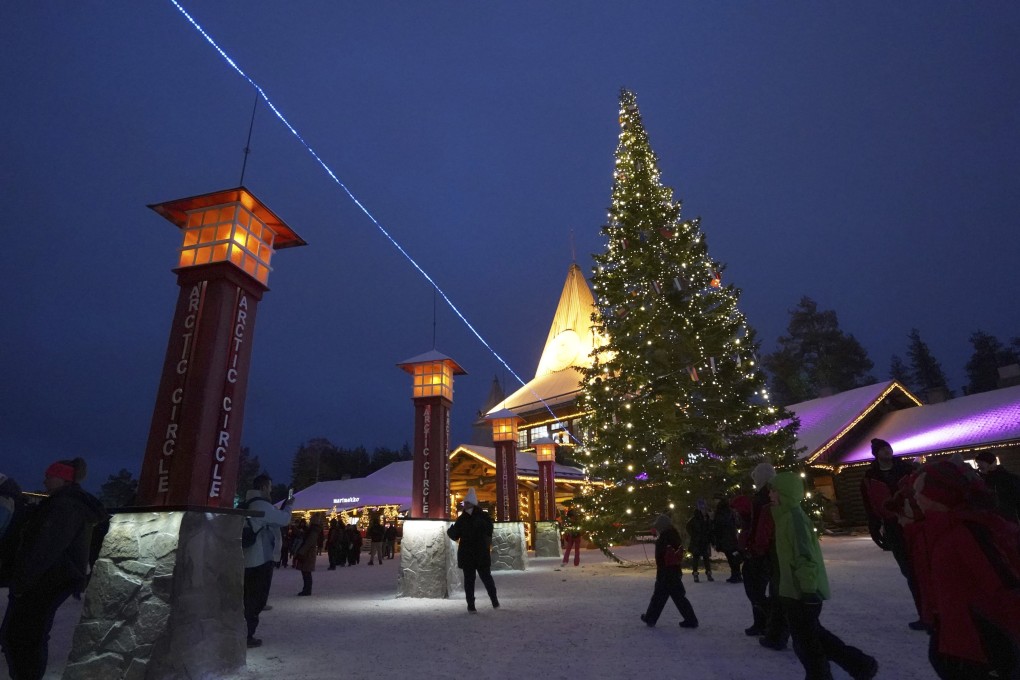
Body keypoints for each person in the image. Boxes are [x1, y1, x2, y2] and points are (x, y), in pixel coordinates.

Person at [910, 458, 1020, 679]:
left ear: (938, 493)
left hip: (981, 642)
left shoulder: (967, 531)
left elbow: (1005, 588)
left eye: (919, 490)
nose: (915, 497)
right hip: (957, 634)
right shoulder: (939, 530)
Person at [1, 459, 107, 680]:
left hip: (46, 580)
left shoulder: (65, 506)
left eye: (49, 475)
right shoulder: (62, 503)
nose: (44, 479)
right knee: (23, 636)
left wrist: (23, 581)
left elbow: (46, 548)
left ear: (63, 478)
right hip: (49, 579)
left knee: (24, 637)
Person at [771, 471, 878, 680]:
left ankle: (823, 675)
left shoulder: (794, 519)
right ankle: (860, 664)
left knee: (807, 645)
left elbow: (804, 556)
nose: (770, 495)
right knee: (815, 636)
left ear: (785, 493)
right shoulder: (784, 517)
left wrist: (808, 590)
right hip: (794, 590)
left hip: (802, 592)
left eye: (774, 491)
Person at [860, 438, 923, 629]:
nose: (888, 452)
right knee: (908, 571)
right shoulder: (870, 477)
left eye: (889, 448)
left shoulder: (907, 470)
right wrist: (874, 527)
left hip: (914, 524)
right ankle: (924, 613)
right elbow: (869, 504)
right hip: (892, 526)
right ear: (876, 454)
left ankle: (934, 612)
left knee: (922, 568)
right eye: (883, 450)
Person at [241, 473, 293, 648]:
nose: (271, 491)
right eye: (270, 487)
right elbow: (284, 520)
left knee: (246, 596)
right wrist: (289, 507)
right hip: (260, 558)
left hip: (246, 558)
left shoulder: (246, 504)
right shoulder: (262, 505)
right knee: (256, 599)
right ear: (263, 487)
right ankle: (247, 635)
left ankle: (241, 632)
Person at [740, 462, 789, 649]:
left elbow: (760, 526)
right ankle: (762, 623)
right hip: (766, 548)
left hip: (764, 549)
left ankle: (775, 624)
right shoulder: (766, 495)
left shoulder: (765, 497)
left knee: (755, 589)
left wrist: (753, 546)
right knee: (759, 588)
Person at [640, 514, 698, 629]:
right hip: (673, 571)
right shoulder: (673, 535)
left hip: (666, 572)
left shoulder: (665, 537)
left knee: (660, 597)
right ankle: (690, 619)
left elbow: (662, 555)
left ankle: (651, 618)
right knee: (676, 597)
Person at [446, 488, 499, 612]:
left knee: (486, 578)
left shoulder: (482, 516)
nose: (465, 505)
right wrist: (451, 532)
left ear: (472, 503)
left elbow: (489, 530)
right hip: (467, 554)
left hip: (480, 553)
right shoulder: (462, 519)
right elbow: (456, 535)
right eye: (465, 503)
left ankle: (494, 600)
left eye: (467, 503)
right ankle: (471, 605)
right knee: (469, 582)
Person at [974, 450, 1020, 524]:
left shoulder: (1009, 479)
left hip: (1008, 521)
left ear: (990, 463)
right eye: (978, 463)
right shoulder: (981, 481)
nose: (978, 466)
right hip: (993, 522)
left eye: (981, 463)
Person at [712, 496, 742, 583]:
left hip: (726, 537)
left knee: (731, 556)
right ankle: (735, 574)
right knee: (731, 555)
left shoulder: (722, 511)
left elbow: (721, 523)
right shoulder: (727, 510)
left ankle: (736, 574)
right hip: (729, 536)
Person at [294, 516, 322, 596]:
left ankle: (307, 589)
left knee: (306, 572)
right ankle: (306, 589)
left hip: (308, 554)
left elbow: (308, 543)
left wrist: (301, 552)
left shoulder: (313, 531)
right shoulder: (312, 530)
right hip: (307, 553)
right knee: (305, 572)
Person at [685, 499, 713, 582]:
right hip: (697, 542)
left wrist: (709, 536)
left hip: (704, 541)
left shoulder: (707, 518)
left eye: (704, 508)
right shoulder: (695, 519)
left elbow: (709, 528)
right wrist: (694, 535)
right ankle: (695, 574)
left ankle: (708, 574)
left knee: (706, 558)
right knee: (696, 558)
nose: (704, 510)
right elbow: (688, 527)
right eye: (702, 508)